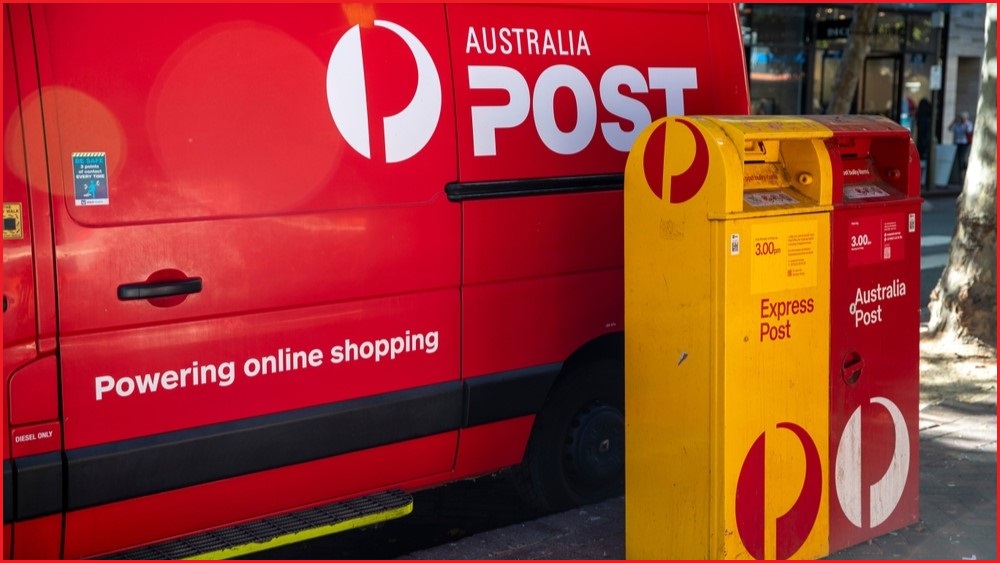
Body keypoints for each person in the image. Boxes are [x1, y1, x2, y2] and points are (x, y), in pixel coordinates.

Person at [948, 111, 974, 185]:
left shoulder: (968, 124)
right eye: (961, 118)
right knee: (959, 159)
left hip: (965, 143)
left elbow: (969, 131)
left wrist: (964, 124)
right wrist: (954, 122)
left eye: (963, 118)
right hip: (958, 143)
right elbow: (949, 129)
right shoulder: (957, 124)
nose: (962, 119)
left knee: (962, 158)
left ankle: (964, 170)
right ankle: (962, 173)